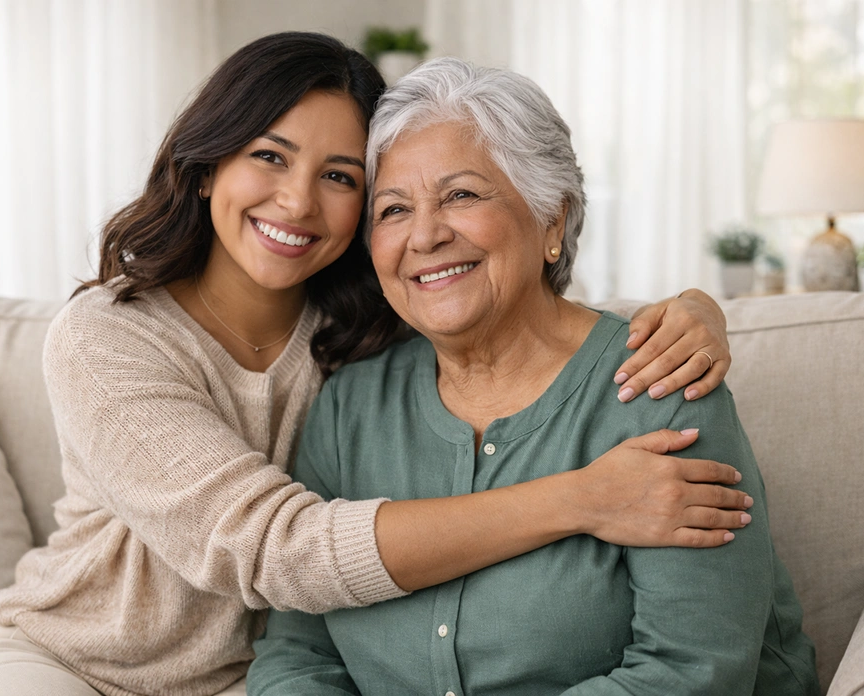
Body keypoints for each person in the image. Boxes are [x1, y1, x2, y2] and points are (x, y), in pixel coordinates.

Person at [0, 34, 749, 696]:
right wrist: (581, 498)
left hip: (238, 680)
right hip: (62, 661)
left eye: (340, 178)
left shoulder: (371, 328)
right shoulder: (108, 338)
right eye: (270, 156)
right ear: (211, 158)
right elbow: (274, 549)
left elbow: (525, 309)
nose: (296, 202)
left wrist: (699, 309)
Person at [247, 57, 819, 695]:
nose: (425, 235)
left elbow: (690, 671)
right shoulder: (351, 405)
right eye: (392, 210)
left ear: (553, 219)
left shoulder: (661, 380)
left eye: (461, 195)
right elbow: (296, 656)